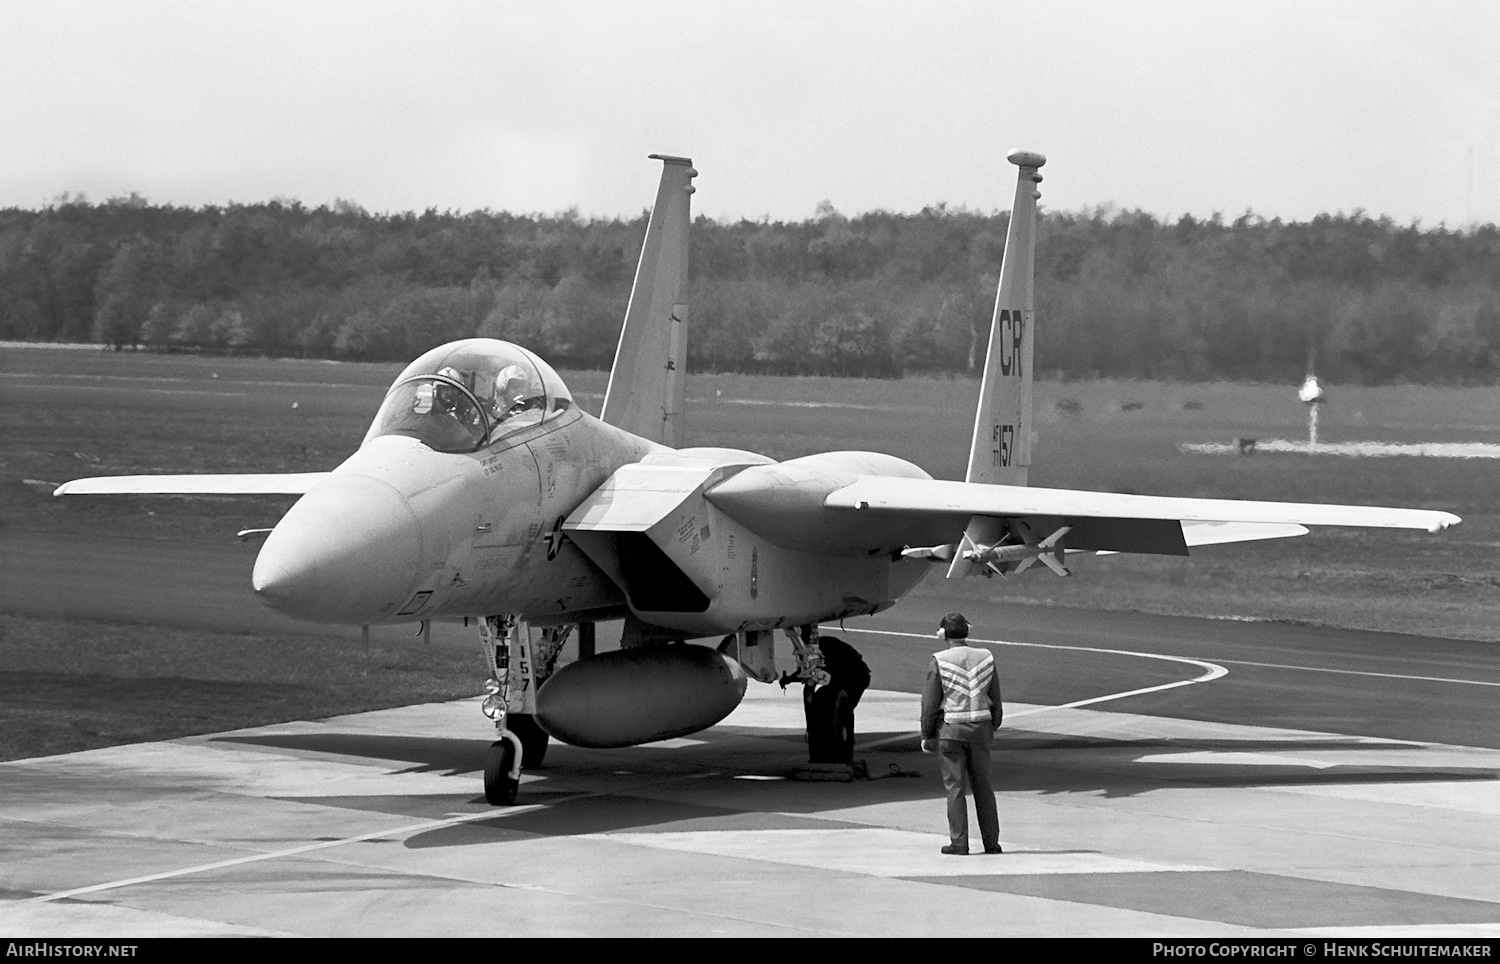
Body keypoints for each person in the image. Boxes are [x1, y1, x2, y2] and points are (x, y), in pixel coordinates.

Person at [920, 611, 1003, 855]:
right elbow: (995, 697)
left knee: (955, 789)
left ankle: (959, 843)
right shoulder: (986, 657)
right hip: (980, 729)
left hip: (951, 731)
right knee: (984, 788)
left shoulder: (939, 660)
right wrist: (993, 725)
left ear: (943, 634)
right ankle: (991, 843)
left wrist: (927, 734)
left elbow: (930, 704)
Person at [803, 635, 871, 764]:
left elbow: (817, 672)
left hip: (855, 677)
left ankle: (844, 750)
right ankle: (840, 749)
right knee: (842, 711)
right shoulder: (822, 646)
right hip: (849, 676)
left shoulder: (823, 648)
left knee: (844, 711)